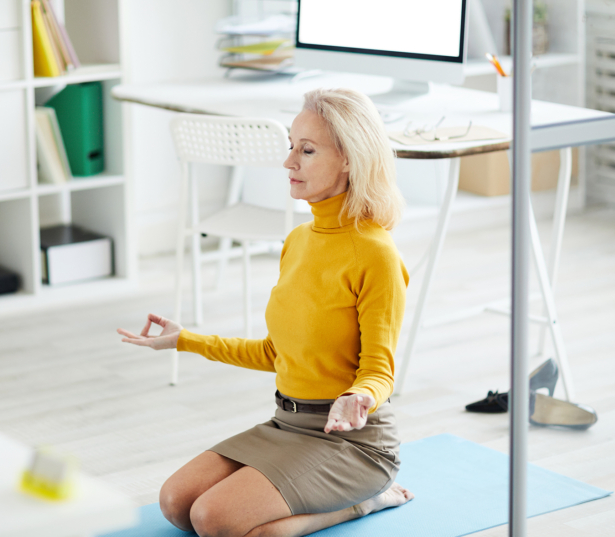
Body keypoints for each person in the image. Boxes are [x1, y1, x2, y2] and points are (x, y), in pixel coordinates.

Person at [118, 88, 413, 537]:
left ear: (349, 158)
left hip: (353, 443)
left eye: (307, 150)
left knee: (214, 519)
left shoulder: (376, 254)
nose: (288, 162)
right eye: (291, 146)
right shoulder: (298, 241)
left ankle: (362, 502)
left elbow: (379, 370)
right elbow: (277, 353)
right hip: (287, 423)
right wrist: (184, 339)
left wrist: (360, 396)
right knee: (176, 502)